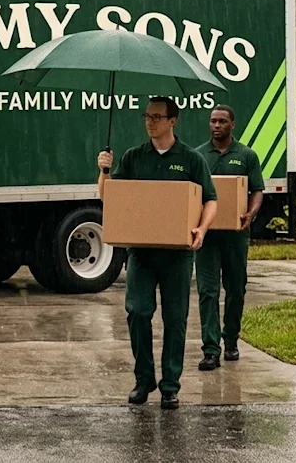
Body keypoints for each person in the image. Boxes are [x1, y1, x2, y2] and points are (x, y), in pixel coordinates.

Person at [98, 96, 217, 410]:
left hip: (178, 255)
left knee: (175, 320)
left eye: (156, 117)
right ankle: (144, 379)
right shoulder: (135, 157)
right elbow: (111, 198)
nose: (150, 122)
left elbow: (210, 200)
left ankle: (170, 386)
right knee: (137, 311)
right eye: (146, 116)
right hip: (141, 252)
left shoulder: (191, 159)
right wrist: (105, 173)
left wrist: (201, 230)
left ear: (172, 120)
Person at [195, 105, 265, 370]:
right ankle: (210, 349)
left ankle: (231, 340)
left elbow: (257, 190)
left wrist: (251, 213)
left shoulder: (246, 155)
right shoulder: (199, 155)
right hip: (208, 235)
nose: (216, 126)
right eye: (213, 121)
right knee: (207, 291)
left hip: (236, 235)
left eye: (222, 121)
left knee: (235, 288)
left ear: (232, 125)